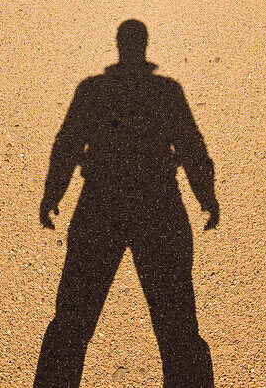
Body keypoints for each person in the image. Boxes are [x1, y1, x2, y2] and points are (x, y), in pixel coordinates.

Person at [34, 20, 218, 388]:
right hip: (155, 204)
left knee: (74, 320)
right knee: (176, 324)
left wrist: (53, 194)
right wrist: (206, 195)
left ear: (119, 45)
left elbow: (67, 145)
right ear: (143, 46)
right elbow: (191, 145)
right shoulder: (164, 92)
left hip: (105, 203)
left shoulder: (95, 91)